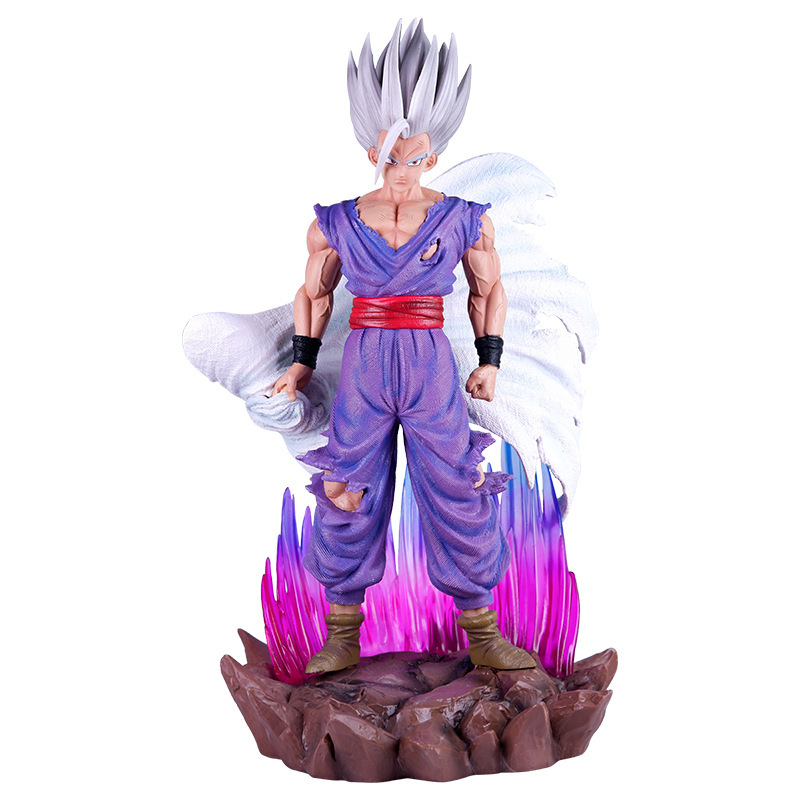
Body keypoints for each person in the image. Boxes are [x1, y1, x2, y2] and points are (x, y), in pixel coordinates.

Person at [274, 20, 537, 674]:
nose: (401, 171)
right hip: (365, 363)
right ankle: (342, 631)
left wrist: (491, 361)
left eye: (415, 158)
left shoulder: (465, 219)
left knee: (455, 485)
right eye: (390, 157)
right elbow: (313, 294)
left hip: (428, 361)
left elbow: (488, 290)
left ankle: (482, 630)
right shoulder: (335, 222)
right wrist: (302, 363)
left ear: (434, 155)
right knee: (347, 482)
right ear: (371, 149)